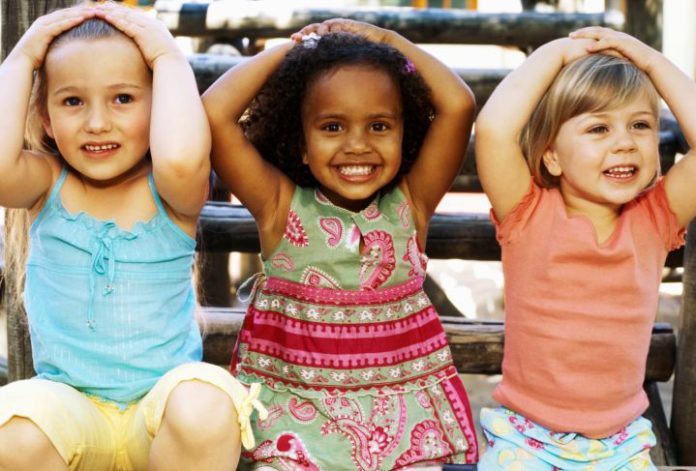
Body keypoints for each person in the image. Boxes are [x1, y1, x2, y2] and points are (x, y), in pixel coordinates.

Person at [203, 18, 478, 469]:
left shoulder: (411, 205)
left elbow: (458, 104)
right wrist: (292, 52)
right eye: (332, 127)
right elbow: (215, 114)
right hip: (294, 424)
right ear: (301, 142)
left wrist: (388, 42)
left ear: (403, 134)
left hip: (406, 428)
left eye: (379, 126)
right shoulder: (280, 207)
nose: (357, 145)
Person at [0, 3, 265, 470]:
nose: (97, 122)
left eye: (123, 99)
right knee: (15, 423)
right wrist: (23, 55)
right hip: (73, 414)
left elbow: (182, 157)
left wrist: (166, 55)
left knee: (204, 399)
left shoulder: (172, 191)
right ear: (44, 117)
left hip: (157, 419)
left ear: (158, 107)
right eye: (72, 101)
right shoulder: (45, 183)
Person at [475, 26, 696, 470]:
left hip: (621, 445)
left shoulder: (654, 220)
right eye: (598, 127)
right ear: (552, 156)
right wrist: (555, 53)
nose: (624, 141)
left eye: (640, 125)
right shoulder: (527, 213)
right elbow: (495, 129)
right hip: (527, 440)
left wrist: (649, 60)